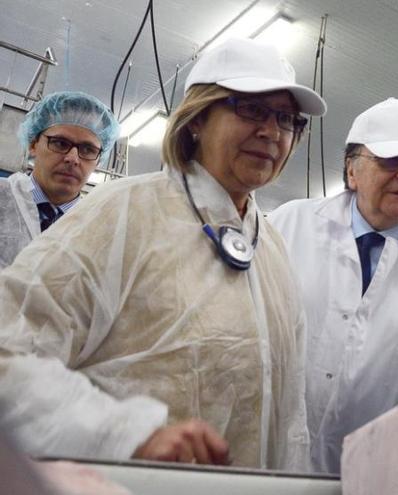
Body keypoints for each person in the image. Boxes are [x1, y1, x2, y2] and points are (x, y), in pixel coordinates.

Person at [0, 37, 326, 470]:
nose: (271, 131)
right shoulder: (124, 211)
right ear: (197, 119)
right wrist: (124, 433)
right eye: (251, 109)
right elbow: (10, 352)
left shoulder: (272, 249)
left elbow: (289, 412)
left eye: (287, 119)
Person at [269, 97, 398, 473]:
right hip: (279, 462)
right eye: (391, 161)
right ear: (352, 171)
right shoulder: (288, 225)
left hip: (381, 472)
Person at [0, 91, 119, 268]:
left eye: (87, 150)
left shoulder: (101, 232)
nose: (73, 158)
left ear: (99, 161)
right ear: (33, 144)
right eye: (60, 143)